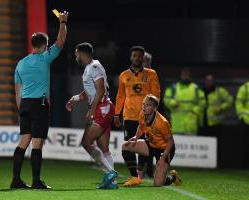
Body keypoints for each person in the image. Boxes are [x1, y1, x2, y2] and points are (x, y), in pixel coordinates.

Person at [11, 11, 68, 189]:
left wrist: (20, 109)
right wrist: (63, 22)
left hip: (25, 104)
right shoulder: (45, 58)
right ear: (44, 46)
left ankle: (16, 180)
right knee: (37, 142)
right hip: (39, 104)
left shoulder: (20, 63)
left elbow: (17, 90)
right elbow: (61, 42)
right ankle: (36, 181)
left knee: (23, 141)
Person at [65, 42, 118, 189]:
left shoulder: (94, 67)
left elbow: (100, 90)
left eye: (76, 53)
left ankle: (110, 173)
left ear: (82, 53)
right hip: (103, 108)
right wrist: (73, 99)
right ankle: (112, 183)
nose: (76, 56)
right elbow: (89, 92)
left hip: (101, 109)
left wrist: (93, 109)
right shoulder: (90, 68)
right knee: (104, 148)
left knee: (86, 142)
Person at [114, 46, 160, 180]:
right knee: (128, 146)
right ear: (131, 57)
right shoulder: (123, 75)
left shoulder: (151, 74)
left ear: (143, 58)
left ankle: (139, 171)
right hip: (128, 116)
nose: (137, 58)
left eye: (140, 56)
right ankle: (134, 175)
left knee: (145, 146)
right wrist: (117, 114)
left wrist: (152, 113)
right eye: (135, 55)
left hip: (145, 117)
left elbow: (156, 95)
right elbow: (120, 96)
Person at [121, 94, 181, 187]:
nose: (144, 107)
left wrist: (163, 158)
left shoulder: (162, 122)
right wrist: (136, 137)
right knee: (126, 146)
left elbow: (170, 142)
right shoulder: (142, 114)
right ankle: (135, 177)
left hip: (164, 150)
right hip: (151, 144)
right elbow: (141, 126)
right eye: (144, 104)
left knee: (158, 184)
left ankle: (172, 177)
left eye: (148, 105)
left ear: (154, 108)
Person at [164, 67, 205, 135]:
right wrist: (172, 103)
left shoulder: (196, 88)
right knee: (177, 144)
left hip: (191, 124)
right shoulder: (173, 88)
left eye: (187, 74)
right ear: (181, 75)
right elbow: (166, 99)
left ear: (190, 75)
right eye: (184, 74)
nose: (185, 76)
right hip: (177, 124)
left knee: (192, 144)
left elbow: (203, 102)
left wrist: (195, 111)